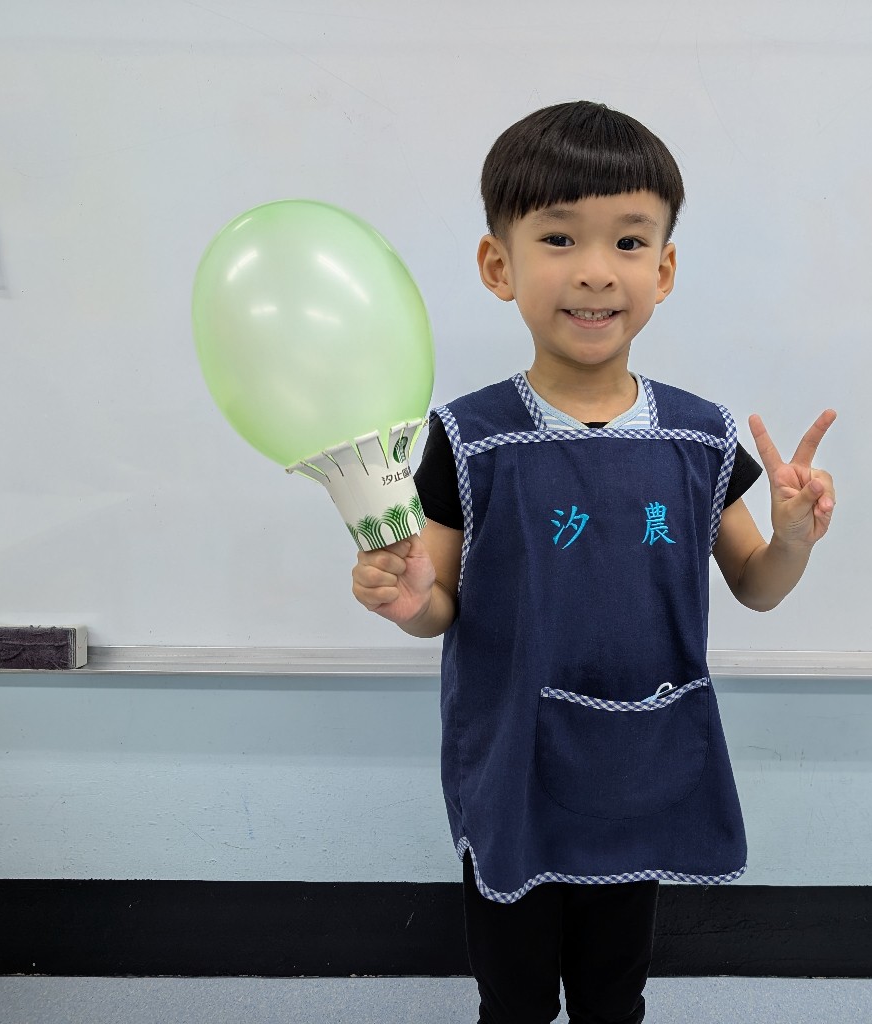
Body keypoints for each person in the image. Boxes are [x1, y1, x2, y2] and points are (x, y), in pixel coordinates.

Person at [351, 100, 836, 1024]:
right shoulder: (468, 437)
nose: (595, 271)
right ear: (499, 265)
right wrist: (411, 600)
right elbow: (438, 602)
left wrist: (792, 541)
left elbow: (756, 586)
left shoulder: (698, 434)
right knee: (516, 996)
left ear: (664, 269)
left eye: (628, 242)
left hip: (637, 763)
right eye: (560, 237)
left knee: (615, 994)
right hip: (514, 765)